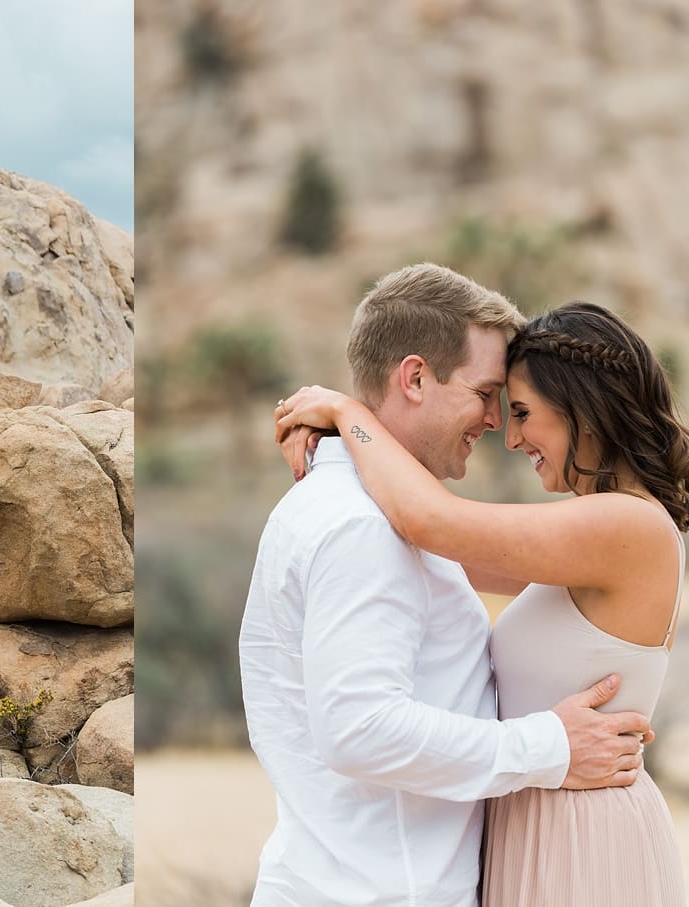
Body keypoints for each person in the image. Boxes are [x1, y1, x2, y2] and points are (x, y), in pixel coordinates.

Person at [239, 263, 653, 907]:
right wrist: (546, 745)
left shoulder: (384, 518)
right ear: (414, 377)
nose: (499, 426)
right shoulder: (363, 525)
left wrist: (348, 413)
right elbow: (360, 728)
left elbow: (439, 525)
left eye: (516, 409)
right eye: (489, 394)